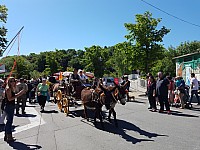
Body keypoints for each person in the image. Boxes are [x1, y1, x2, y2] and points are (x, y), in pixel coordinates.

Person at [4, 77, 26, 142]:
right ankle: (9, 137)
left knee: (9, 121)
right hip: (9, 106)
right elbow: (10, 99)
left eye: (14, 81)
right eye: (11, 81)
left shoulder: (11, 88)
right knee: (9, 122)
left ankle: (7, 136)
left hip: (10, 106)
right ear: (9, 82)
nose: (13, 82)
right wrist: (19, 94)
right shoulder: (8, 89)